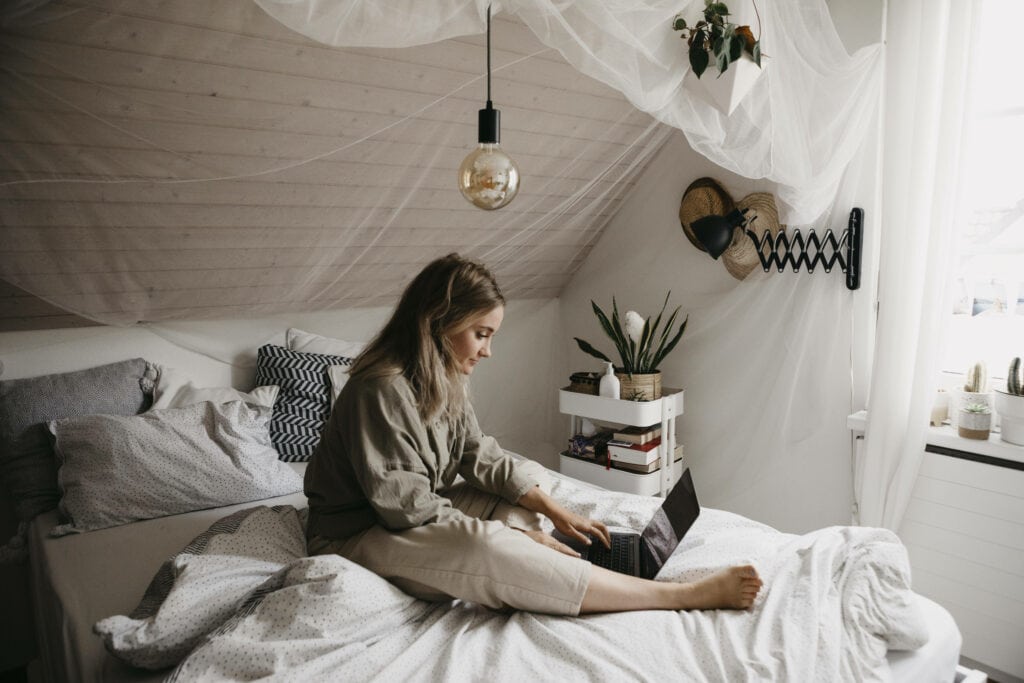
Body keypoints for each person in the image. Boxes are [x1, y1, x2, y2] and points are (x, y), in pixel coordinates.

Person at [304, 253, 762, 616]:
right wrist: (509, 537)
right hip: (357, 533)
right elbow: (409, 511)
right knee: (486, 545)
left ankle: (562, 563)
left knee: (515, 512)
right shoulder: (381, 388)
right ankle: (675, 596)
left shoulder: (445, 375)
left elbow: (475, 452)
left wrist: (554, 511)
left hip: (411, 513)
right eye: (481, 334)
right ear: (438, 320)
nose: (487, 350)